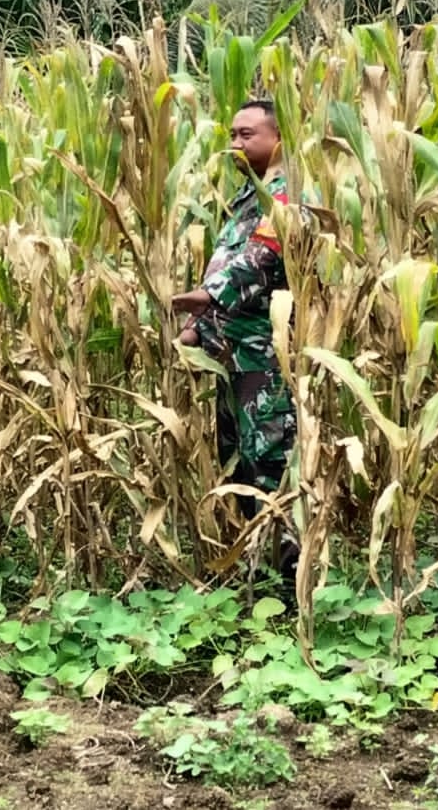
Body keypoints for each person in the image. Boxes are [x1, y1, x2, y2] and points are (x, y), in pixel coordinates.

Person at [173, 99, 300, 567]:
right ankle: (256, 569)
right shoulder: (248, 198)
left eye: (247, 135)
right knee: (239, 463)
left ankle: (291, 579)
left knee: (271, 464)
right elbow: (225, 262)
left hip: (266, 358)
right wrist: (196, 326)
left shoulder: (287, 194)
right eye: (232, 135)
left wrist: (207, 297)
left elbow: (262, 259)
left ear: (279, 139)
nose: (235, 143)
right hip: (231, 355)